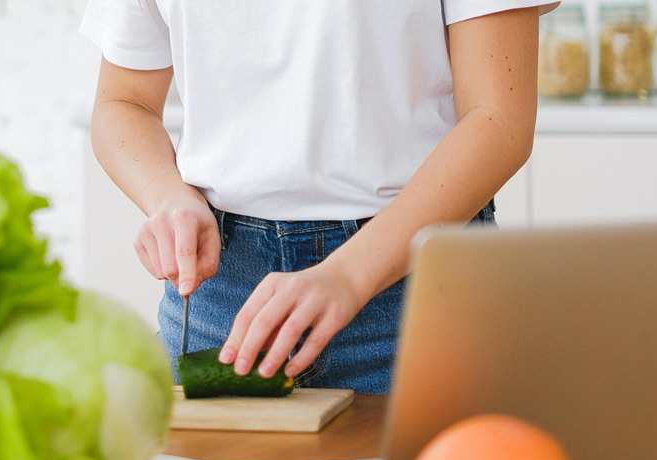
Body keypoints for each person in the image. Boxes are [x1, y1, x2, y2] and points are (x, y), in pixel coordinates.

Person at [80, 0, 553, 394]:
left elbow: (498, 118)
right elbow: (125, 102)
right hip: (217, 302)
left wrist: (349, 275)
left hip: (422, 301)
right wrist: (167, 197)